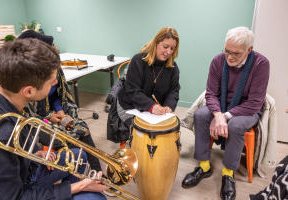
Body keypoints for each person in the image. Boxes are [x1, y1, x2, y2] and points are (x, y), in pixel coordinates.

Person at [0, 38, 108, 200]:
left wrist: (32, 155)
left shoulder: (1, 94)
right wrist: (78, 187)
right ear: (29, 91)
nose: (56, 82)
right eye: (51, 82)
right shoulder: (1, 134)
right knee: (95, 198)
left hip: (24, 171)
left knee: (78, 155)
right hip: (20, 189)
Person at [181, 27, 270, 200]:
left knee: (236, 126)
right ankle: (204, 166)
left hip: (246, 109)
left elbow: (254, 103)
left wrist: (226, 116)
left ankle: (228, 173)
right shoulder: (218, 61)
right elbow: (211, 94)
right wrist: (218, 114)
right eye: (227, 51)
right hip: (220, 105)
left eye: (235, 54)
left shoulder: (261, 64)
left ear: (248, 50)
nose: (229, 57)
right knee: (200, 115)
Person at [18, 30, 102, 174]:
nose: (56, 48)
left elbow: (56, 95)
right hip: (38, 123)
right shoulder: (26, 81)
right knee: (67, 138)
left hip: (51, 113)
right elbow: (30, 117)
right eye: (52, 46)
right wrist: (48, 116)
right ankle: (77, 170)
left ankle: (97, 172)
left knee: (83, 129)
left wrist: (61, 112)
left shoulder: (53, 69)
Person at [107, 27, 180, 142]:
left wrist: (168, 106)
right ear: (156, 43)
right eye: (165, 47)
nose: (169, 52)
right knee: (142, 135)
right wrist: (151, 106)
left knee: (166, 132)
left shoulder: (173, 68)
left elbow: (174, 91)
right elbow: (133, 90)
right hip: (129, 105)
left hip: (152, 110)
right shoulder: (138, 61)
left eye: (172, 48)